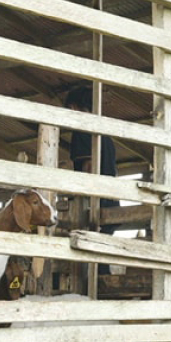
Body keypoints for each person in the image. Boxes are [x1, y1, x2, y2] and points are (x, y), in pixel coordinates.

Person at [64, 85, 120, 236]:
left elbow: (88, 166)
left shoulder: (82, 131)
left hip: (93, 205)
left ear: (73, 107)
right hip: (111, 202)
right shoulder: (105, 134)